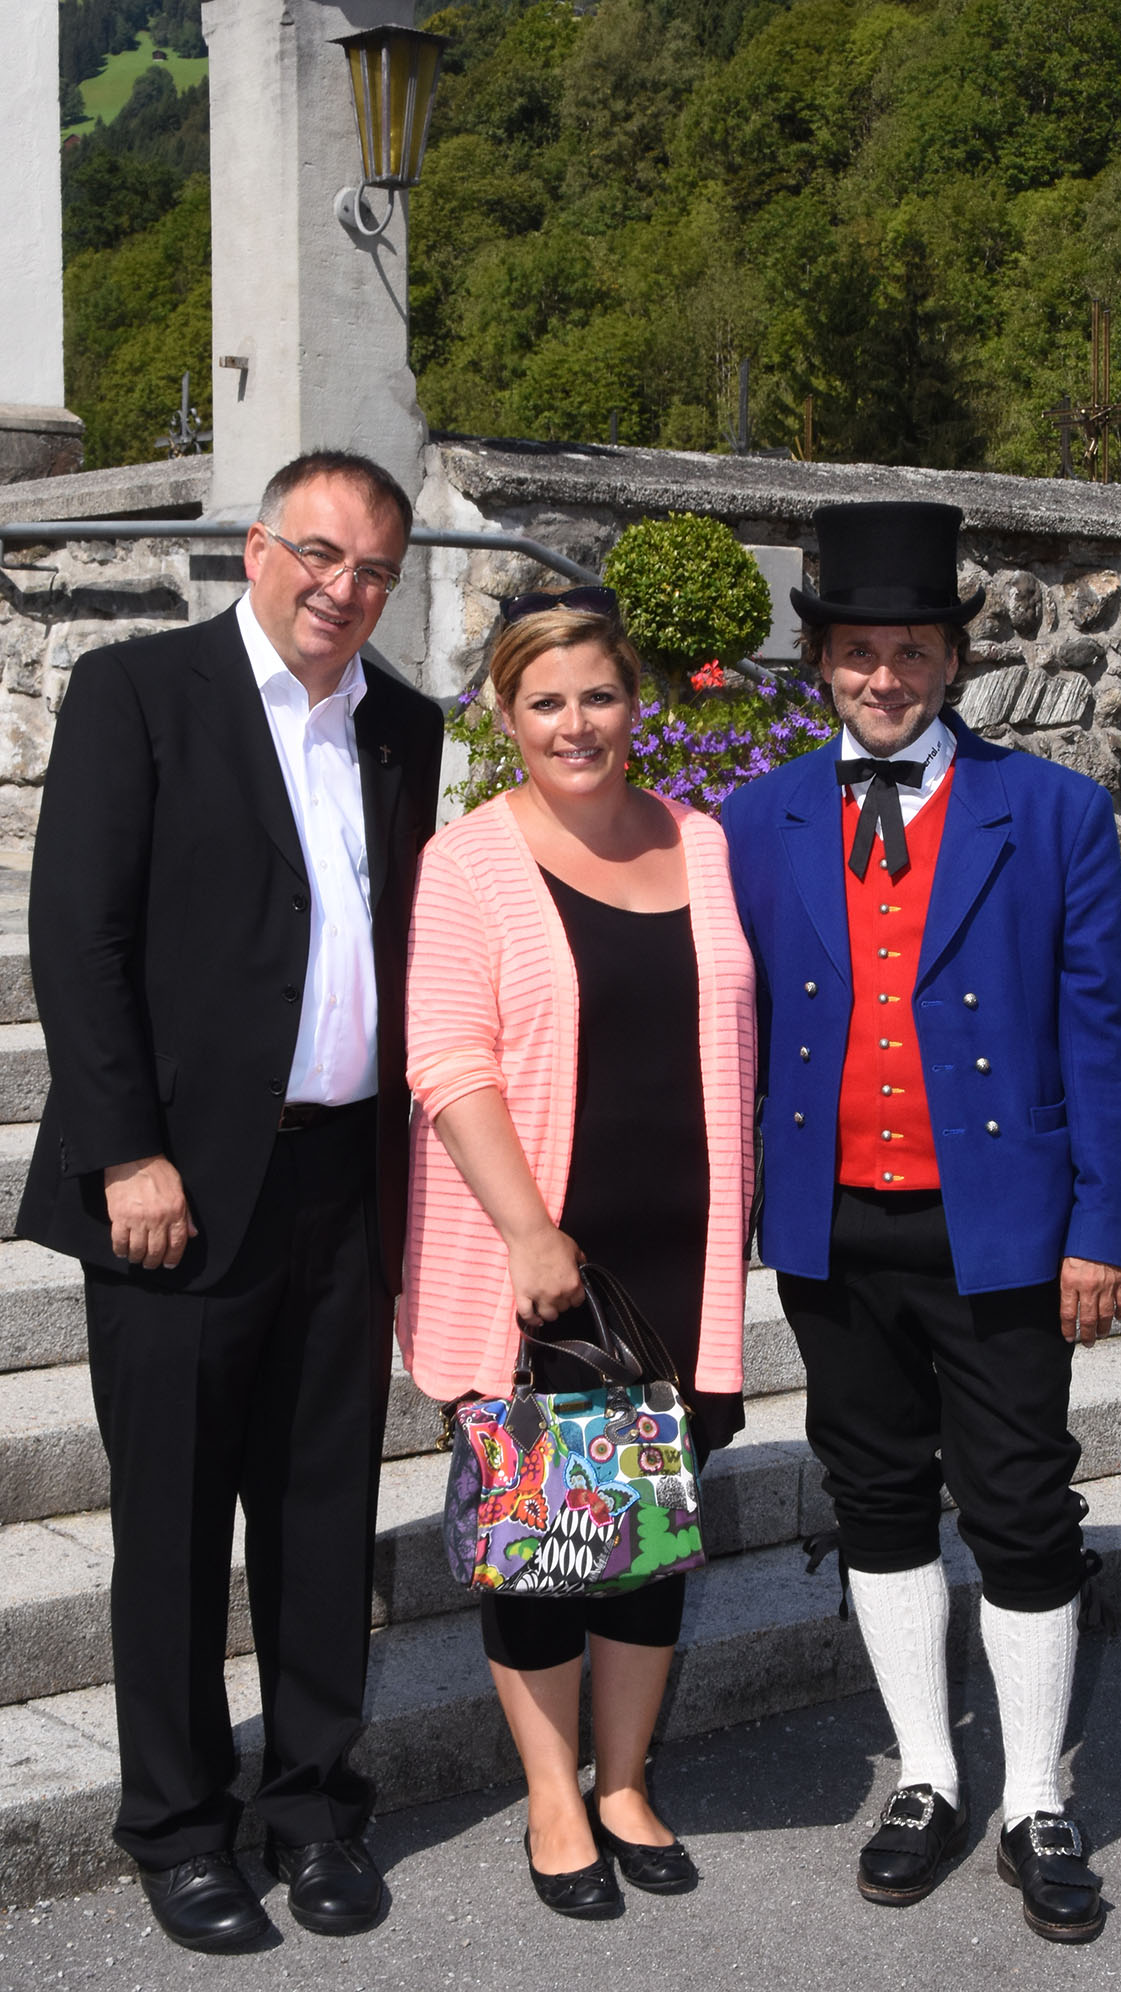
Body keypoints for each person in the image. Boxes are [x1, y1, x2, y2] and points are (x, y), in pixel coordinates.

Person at [18, 450, 443, 1953]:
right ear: (256, 547)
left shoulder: (405, 725)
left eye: (373, 569)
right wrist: (125, 1151)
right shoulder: (140, 692)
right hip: (180, 1187)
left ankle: (316, 1807)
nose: (343, 587)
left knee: (325, 1512)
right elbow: (77, 936)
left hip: (344, 1177)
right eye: (320, 552)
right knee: (178, 1522)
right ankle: (180, 1826)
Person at [722, 502, 1121, 1946]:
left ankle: (1036, 1798)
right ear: (821, 662)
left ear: (954, 660)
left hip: (1004, 1226)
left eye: (911, 651)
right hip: (834, 1227)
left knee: (1020, 1505)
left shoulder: (1055, 811)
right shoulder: (757, 818)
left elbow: (1103, 1034)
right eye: (858, 651)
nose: (884, 676)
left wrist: (1101, 1230)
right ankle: (926, 1775)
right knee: (879, 1497)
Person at [397, 588, 756, 1917]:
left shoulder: (702, 840)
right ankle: (556, 1798)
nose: (575, 724)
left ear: (635, 703)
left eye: (598, 695)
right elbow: (447, 1060)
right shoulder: (468, 861)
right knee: (547, 1537)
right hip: (545, 1261)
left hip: (681, 1253)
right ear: (505, 715)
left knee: (648, 1531)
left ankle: (626, 1783)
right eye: (544, 701)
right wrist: (528, 1231)